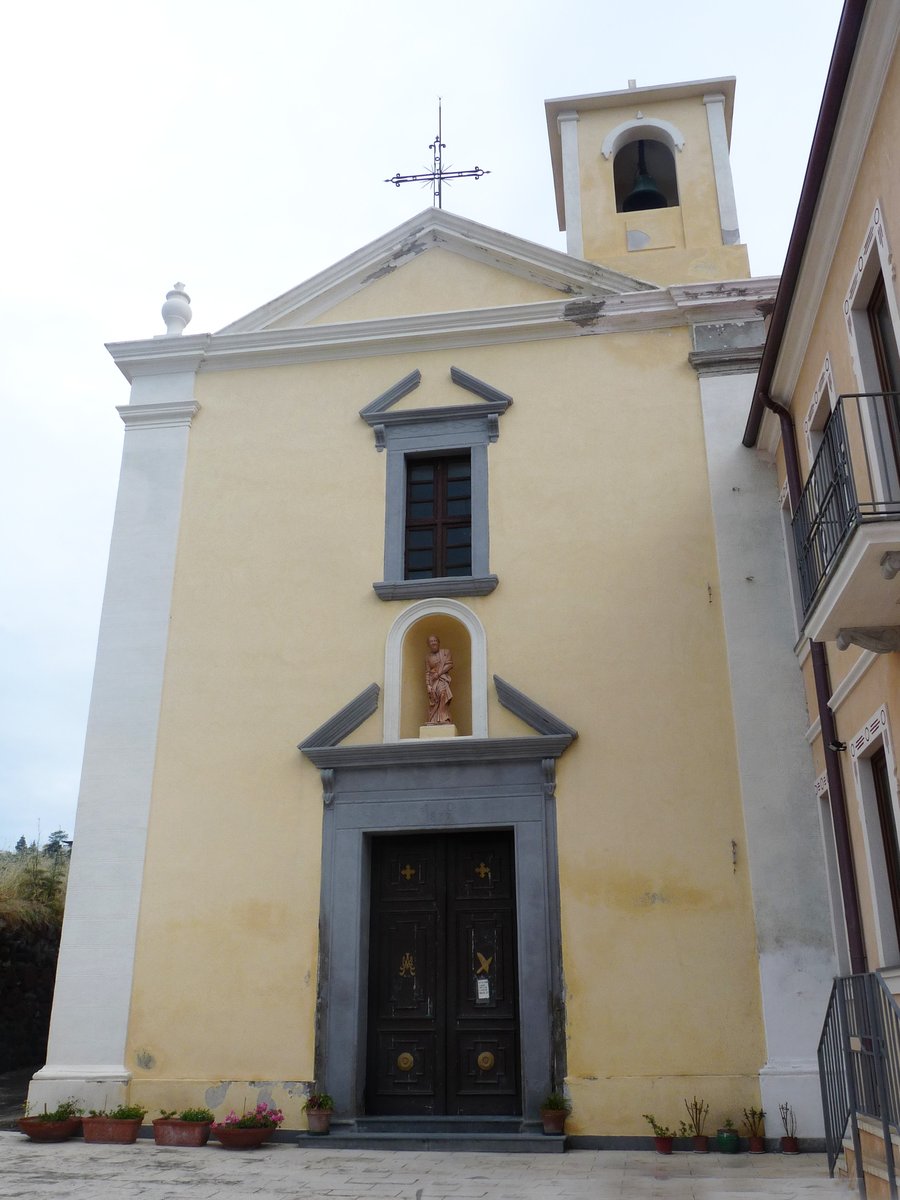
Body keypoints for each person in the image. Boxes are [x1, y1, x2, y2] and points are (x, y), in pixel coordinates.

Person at [425, 635, 453, 725]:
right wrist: (428, 685)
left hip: (442, 679)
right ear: (428, 645)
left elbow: (450, 665)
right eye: (431, 641)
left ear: (438, 642)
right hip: (433, 681)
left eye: (435, 640)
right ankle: (433, 720)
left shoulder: (446, 652)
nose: (433, 643)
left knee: (443, 694)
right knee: (434, 699)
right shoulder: (428, 657)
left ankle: (443, 718)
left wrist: (439, 673)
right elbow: (427, 672)